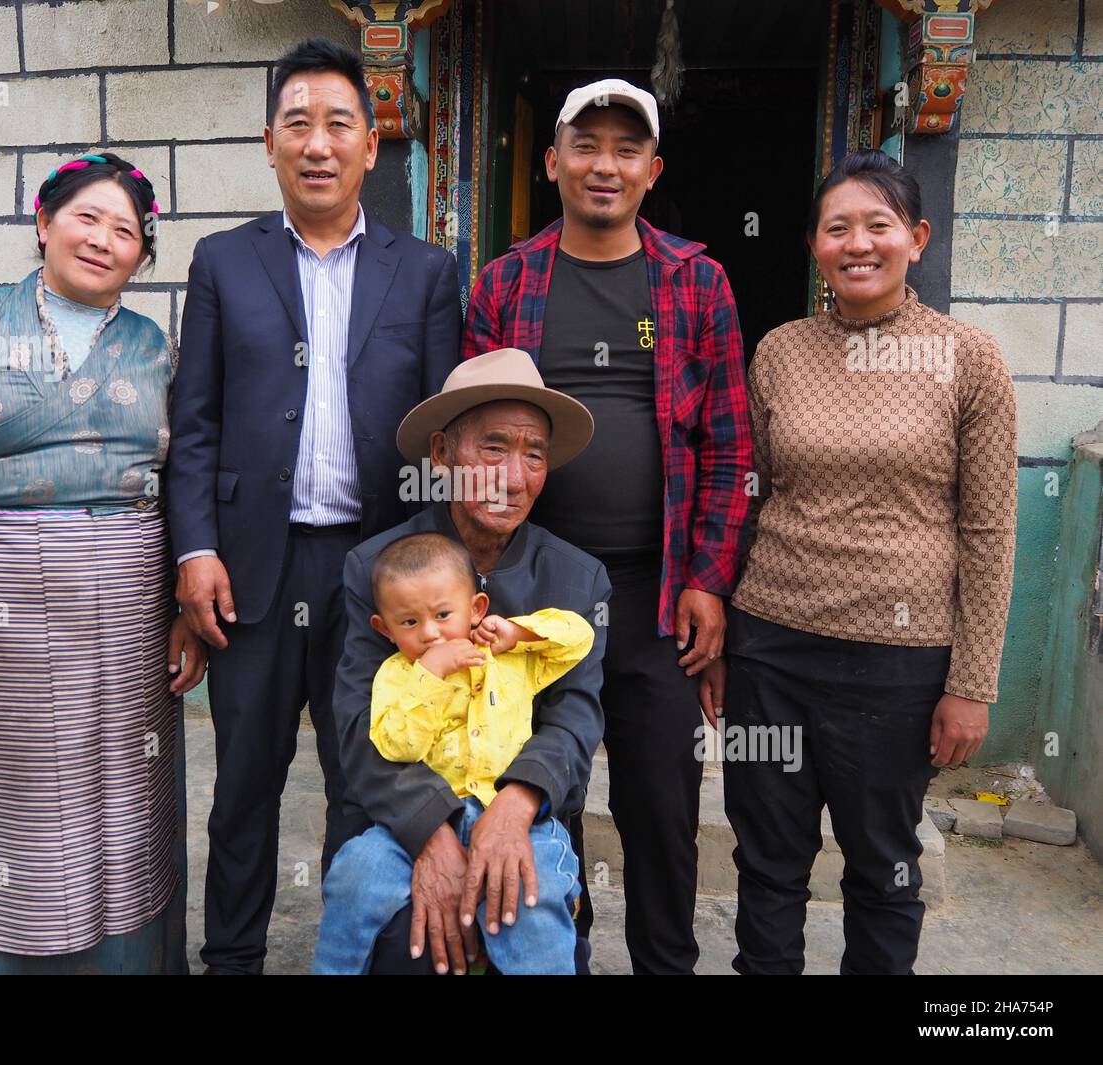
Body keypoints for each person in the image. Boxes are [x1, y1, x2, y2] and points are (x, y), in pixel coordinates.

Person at [165, 37, 461, 974]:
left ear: (374, 146)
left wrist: (432, 562)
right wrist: (195, 552)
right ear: (269, 142)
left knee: (365, 780)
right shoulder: (222, 262)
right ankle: (232, 958)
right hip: (255, 564)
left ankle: (355, 954)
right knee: (244, 781)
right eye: (299, 124)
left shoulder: (425, 272)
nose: (319, 143)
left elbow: (442, 434)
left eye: (340, 124)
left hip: (379, 571)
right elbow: (195, 422)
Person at [0, 152, 206, 974]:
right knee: (15, 812)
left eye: (125, 230)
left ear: (142, 254)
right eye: (86, 217)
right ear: (43, 224)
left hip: (128, 619)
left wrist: (179, 610)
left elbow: (182, 481)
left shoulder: (156, 348)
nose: (103, 239)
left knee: (125, 802)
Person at [462, 79, 753, 973]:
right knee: (540, 792)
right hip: (534, 595)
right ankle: (564, 956)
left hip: (656, 596)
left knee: (662, 811)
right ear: (552, 163)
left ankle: (665, 962)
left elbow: (730, 444)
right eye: (585, 145)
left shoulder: (697, 281)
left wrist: (708, 578)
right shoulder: (505, 283)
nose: (605, 164)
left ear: (651, 170)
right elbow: (474, 439)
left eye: (627, 149)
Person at [714, 148, 1019, 975]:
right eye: (837, 227)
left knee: (883, 865)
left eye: (878, 225)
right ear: (815, 245)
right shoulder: (779, 350)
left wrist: (971, 683)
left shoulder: (969, 359)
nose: (858, 243)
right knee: (767, 856)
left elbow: (990, 529)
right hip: (770, 648)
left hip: (900, 666)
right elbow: (751, 495)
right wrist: (722, 632)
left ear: (916, 238)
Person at [330, 346, 610, 975]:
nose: (513, 477)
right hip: (404, 821)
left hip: (524, 817)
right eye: (493, 447)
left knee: (530, 917)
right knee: (404, 933)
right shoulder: (379, 570)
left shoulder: (577, 580)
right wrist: (432, 834)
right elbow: (356, 725)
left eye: (533, 453)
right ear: (442, 456)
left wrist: (512, 810)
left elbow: (574, 719)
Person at [314, 531, 593, 973]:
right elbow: (394, 743)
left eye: (443, 615)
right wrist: (430, 676)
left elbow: (579, 637)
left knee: (529, 901)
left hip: (519, 821)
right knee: (356, 875)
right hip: (425, 820)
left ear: (476, 609)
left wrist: (515, 632)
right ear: (383, 628)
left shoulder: (507, 658)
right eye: (408, 623)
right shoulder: (396, 676)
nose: (429, 633)